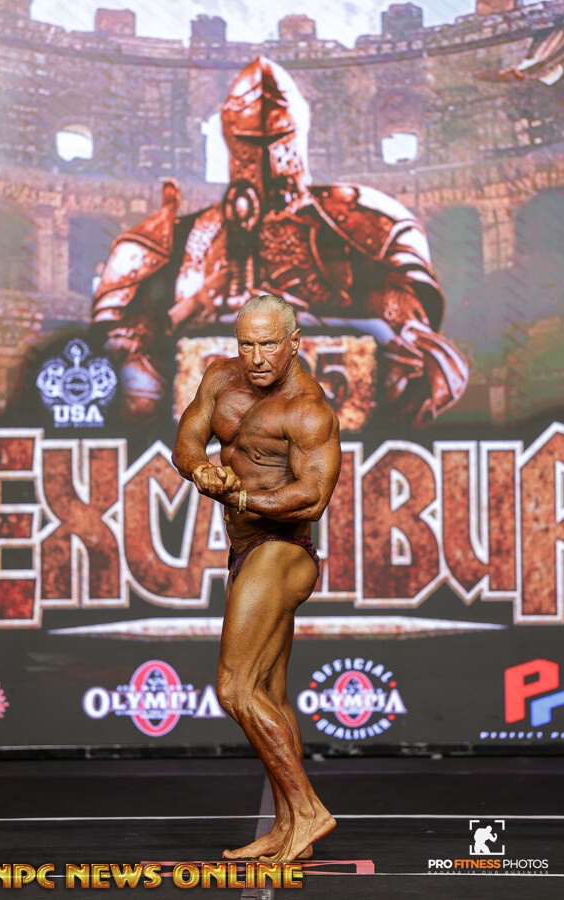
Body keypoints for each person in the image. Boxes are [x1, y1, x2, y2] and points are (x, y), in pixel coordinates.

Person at [94, 56, 467, 426]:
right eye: (249, 141)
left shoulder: (366, 222)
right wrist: (173, 318)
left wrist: (374, 332)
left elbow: (415, 340)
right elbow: (120, 348)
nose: (266, 156)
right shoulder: (183, 235)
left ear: (297, 133)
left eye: (276, 139)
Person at [171, 293, 341, 862]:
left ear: (294, 342)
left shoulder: (307, 408)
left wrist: (240, 496)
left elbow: (312, 497)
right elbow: (187, 439)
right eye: (247, 343)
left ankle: (309, 811)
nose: (258, 357)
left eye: (269, 343)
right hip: (245, 550)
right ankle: (289, 828)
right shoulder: (221, 379)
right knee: (268, 694)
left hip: (282, 550)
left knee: (235, 687)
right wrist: (201, 469)